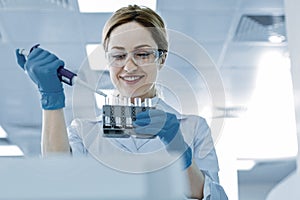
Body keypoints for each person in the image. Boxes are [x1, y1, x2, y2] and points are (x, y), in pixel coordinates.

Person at [15, 5, 228, 200]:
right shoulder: (85, 131)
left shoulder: (192, 128)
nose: (129, 66)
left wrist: (178, 148)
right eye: (118, 56)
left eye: (142, 54)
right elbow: (56, 180)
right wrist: (51, 98)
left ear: (161, 58)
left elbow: (213, 198)